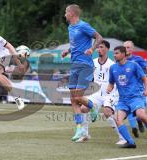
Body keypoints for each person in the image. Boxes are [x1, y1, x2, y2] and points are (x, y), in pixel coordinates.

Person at [107, 46, 147, 149]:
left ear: (123, 54)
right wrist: (109, 88)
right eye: (114, 53)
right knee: (117, 118)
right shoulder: (113, 68)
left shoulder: (134, 65)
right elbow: (111, 83)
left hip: (136, 97)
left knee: (141, 115)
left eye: (116, 53)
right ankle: (130, 142)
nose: (114, 55)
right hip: (123, 100)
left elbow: (145, 79)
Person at [61, 4, 103, 141]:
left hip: (85, 65)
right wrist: (68, 50)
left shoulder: (83, 26)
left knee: (78, 97)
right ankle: (79, 129)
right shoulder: (70, 27)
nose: (64, 14)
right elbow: (75, 44)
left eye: (66, 12)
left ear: (72, 13)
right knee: (73, 100)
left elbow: (99, 37)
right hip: (74, 65)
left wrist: (92, 49)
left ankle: (93, 106)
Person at [76, 40, 126, 145]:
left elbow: (118, 79)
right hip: (96, 93)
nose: (99, 49)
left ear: (107, 49)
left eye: (101, 47)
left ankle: (123, 138)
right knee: (83, 108)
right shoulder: (93, 62)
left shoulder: (112, 64)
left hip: (110, 93)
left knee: (107, 113)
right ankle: (85, 134)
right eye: (98, 47)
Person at [123, 41, 147, 138]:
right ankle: (134, 128)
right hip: (127, 91)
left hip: (139, 90)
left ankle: (139, 122)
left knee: (141, 112)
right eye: (124, 47)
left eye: (128, 47)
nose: (126, 49)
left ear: (132, 49)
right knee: (130, 109)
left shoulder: (138, 59)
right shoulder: (120, 60)